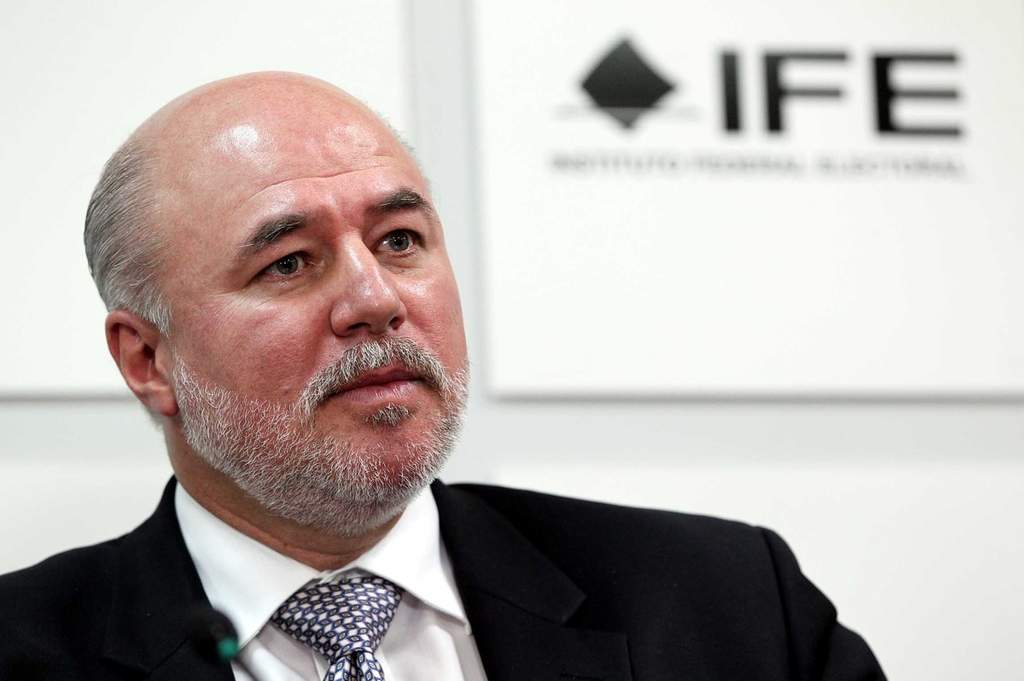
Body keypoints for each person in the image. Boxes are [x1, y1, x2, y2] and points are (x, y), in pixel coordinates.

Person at [0, 72, 886, 681]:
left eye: (399, 240)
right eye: (289, 262)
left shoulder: (730, 605)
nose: (376, 299)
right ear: (148, 359)